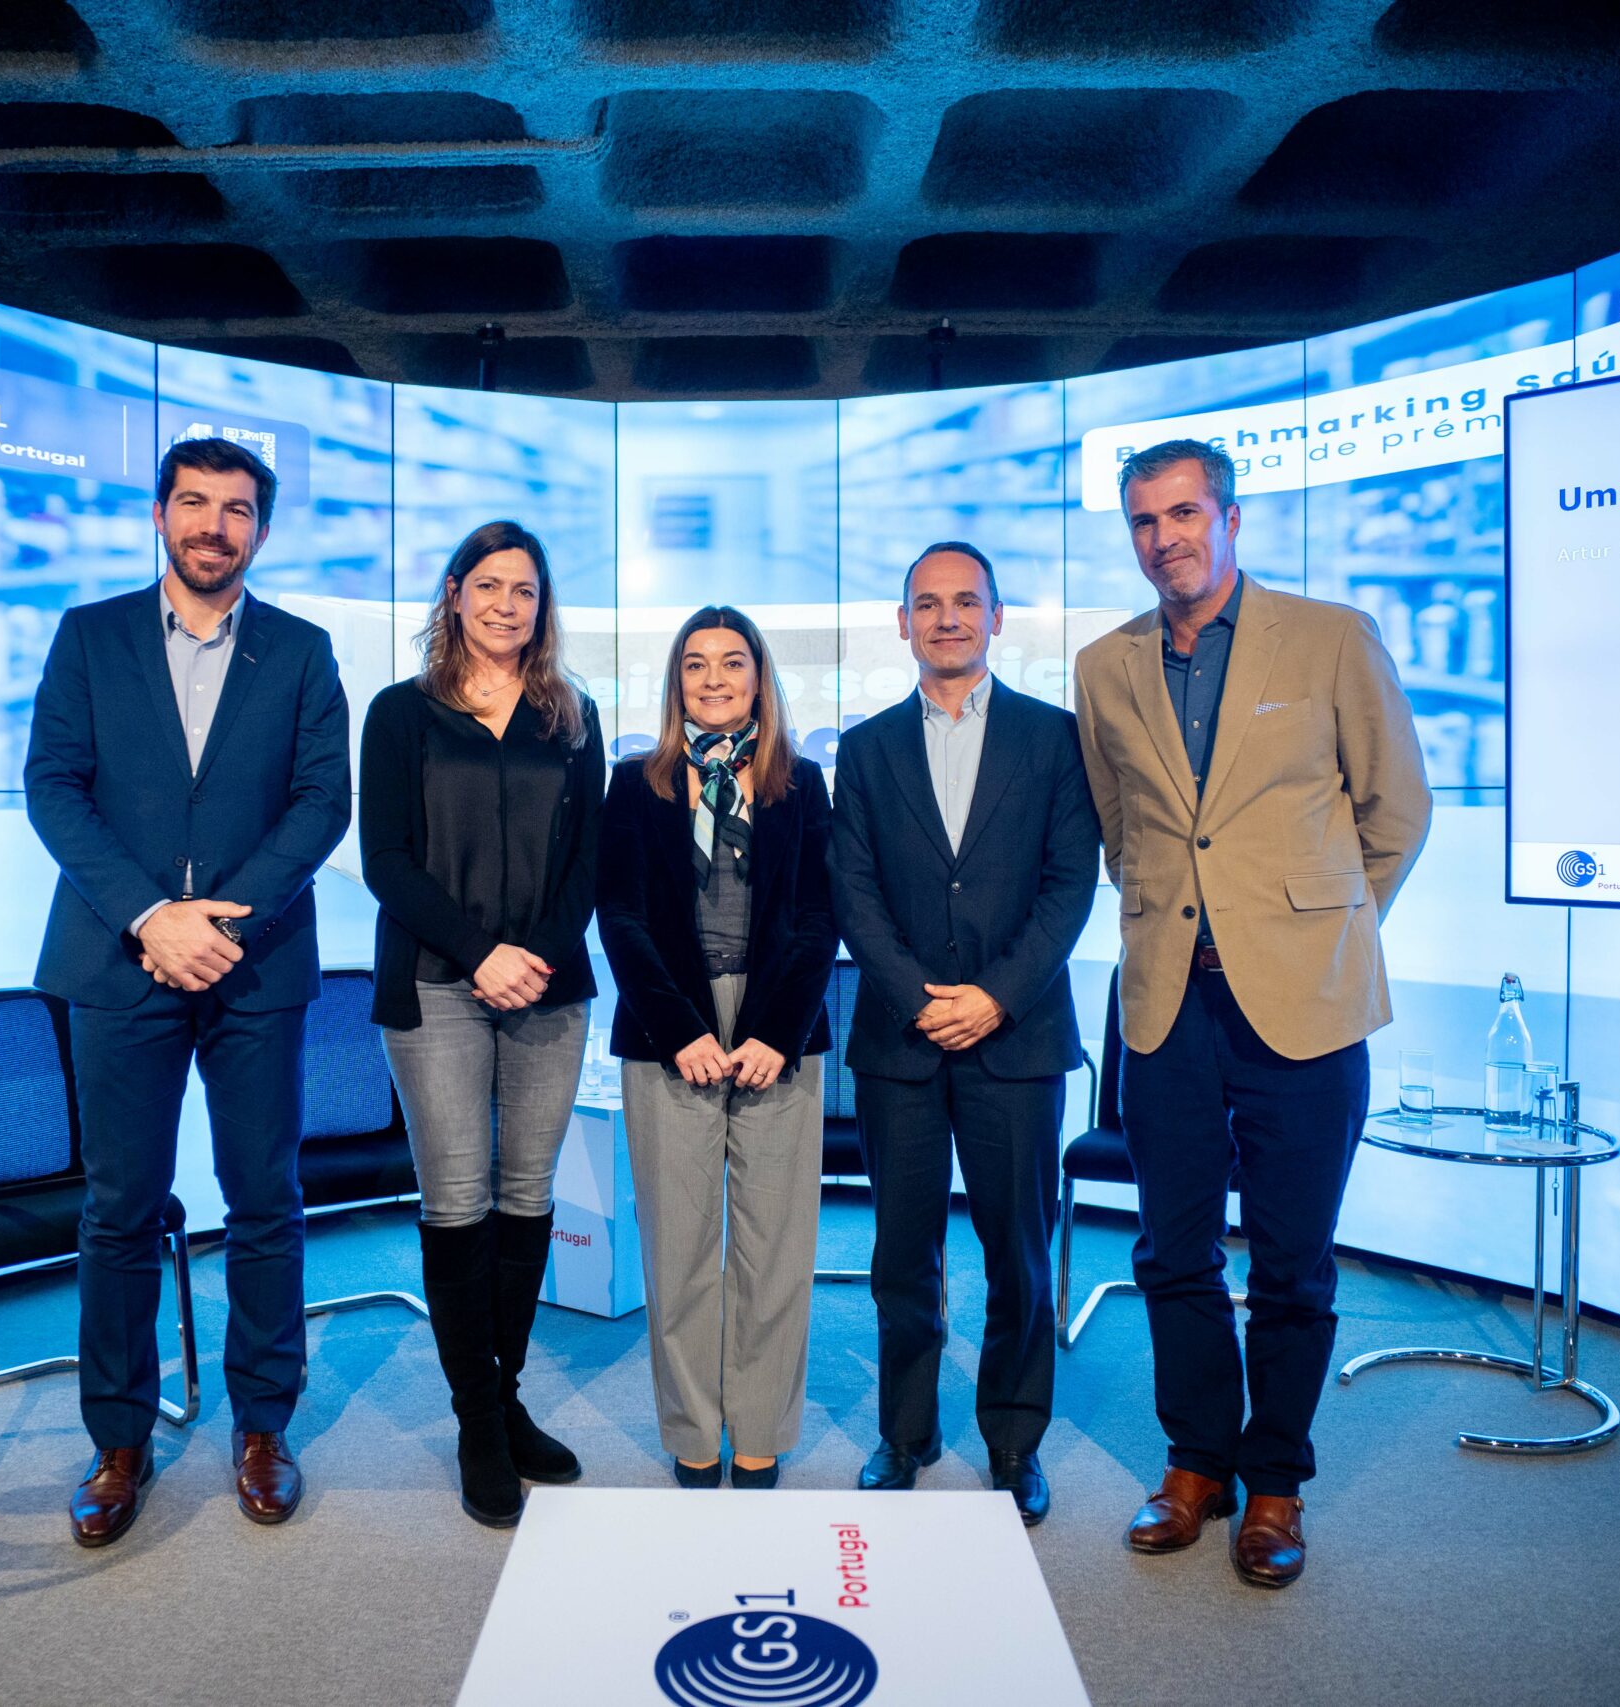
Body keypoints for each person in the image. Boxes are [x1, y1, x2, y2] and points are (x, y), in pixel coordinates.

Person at [1072, 438, 1431, 1588]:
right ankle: (1196, 1463)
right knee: (1170, 1250)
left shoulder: (1327, 638)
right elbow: (1118, 826)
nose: (1163, 539)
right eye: (1144, 521)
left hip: (1305, 1004)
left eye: (1183, 514)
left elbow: (1396, 810)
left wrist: (1318, 930)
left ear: (1229, 518)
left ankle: (1274, 1481)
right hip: (1167, 1001)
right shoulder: (1103, 665)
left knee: (1292, 1259)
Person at [25, 437, 352, 1548]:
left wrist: (221, 924)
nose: (216, 525)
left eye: (238, 509)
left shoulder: (301, 650)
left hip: (256, 963)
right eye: (197, 503)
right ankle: (119, 1441)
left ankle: (264, 1425)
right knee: (121, 1206)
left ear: (262, 528)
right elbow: (54, 789)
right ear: (160, 514)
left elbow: (320, 803)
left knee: (264, 1198)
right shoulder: (90, 635)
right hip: (118, 958)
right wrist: (150, 917)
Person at [829, 542, 1099, 1526]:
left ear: (996, 617)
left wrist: (992, 997)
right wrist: (919, 997)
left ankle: (1014, 1440)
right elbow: (853, 891)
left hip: (1016, 1039)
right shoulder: (863, 749)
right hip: (899, 1043)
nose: (947, 618)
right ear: (902, 622)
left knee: (1018, 1254)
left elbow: (1069, 885)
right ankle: (905, 1434)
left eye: (966, 602)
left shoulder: (1054, 738)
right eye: (928, 603)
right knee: (902, 1254)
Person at [360, 519, 604, 1529]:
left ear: (543, 608)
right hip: (435, 985)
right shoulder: (400, 712)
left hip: (548, 984)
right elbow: (385, 860)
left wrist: (532, 955)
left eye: (526, 590)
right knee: (457, 1199)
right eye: (490, 585)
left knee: (526, 1195)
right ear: (454, 592)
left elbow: (589, 861)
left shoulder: (572, 715)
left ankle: (505, 1399)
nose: (508, 605)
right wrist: (480, 954)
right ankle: (476, 1422)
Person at [597, 607, 837, 1490]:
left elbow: (819, 917)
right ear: (675, 683)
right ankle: (694, 1431)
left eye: (732, 662)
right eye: (695, 664)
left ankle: (761, 1429)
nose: (713, 679)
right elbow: (620, 917)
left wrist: (776, 1031)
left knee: (776, 1247)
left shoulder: (803, 784)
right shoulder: (636, 783)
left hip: (778, 1029)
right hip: (670, 1029)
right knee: (680, 1246)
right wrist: (681, 1030)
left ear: (760, 678)